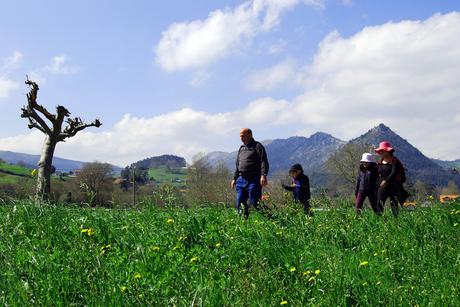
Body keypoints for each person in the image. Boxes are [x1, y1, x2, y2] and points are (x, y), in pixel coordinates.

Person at [231, 128, 269, 219]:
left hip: (253, 179)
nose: (241, 138)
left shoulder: (257, 146)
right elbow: (238, 164)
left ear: (250, 135)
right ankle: (243, 222)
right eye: (240, 136)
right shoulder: (241, 148)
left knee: (255, 202)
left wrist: (263, 175)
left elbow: (263, 161)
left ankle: (271, 218)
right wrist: (234, 178)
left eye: (243, 136)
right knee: (240, 203)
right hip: (241, 179)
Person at [375, 141, 409, 216]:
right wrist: (378, 184)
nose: (380, 152)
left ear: (388, 151)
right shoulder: (380, 162)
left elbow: (394, 173)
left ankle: (396, 223)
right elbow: (378, 174)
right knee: (379, 204)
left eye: (382, 150)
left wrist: (386, 181)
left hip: (393, 187)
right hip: (383, 187)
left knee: (394, 205)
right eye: (380, 151)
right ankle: (378, 222)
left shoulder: (394, 160)